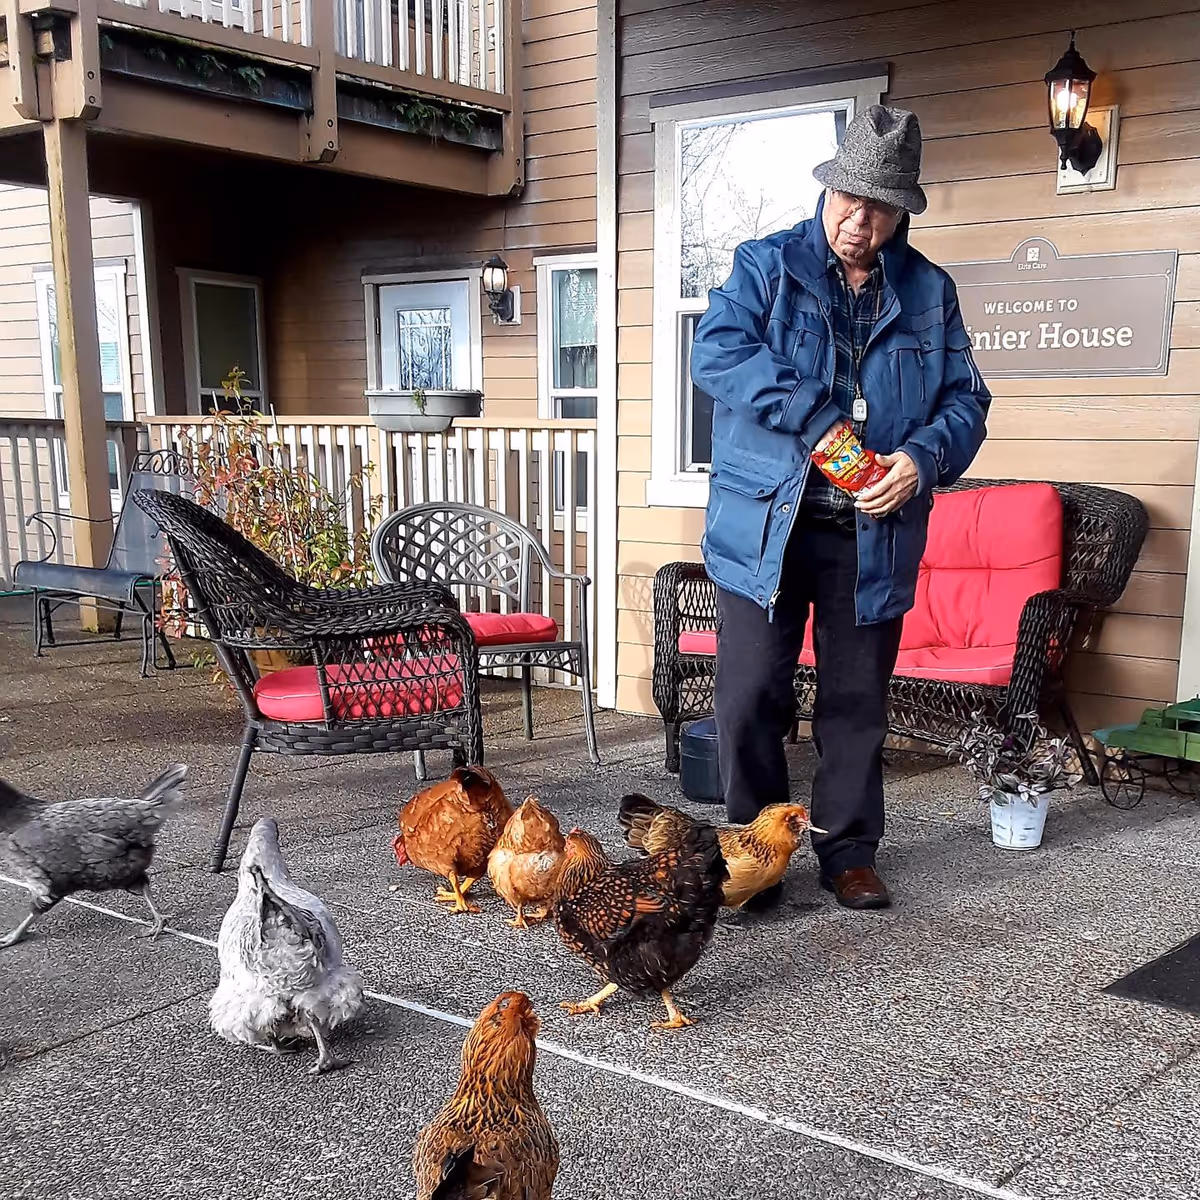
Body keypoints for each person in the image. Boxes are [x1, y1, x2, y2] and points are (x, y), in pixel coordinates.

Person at [690, 104, 990, 911]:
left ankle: (847, 848)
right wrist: (814, 416)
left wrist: (921, 462)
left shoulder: (930, 292)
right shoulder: (765, 265)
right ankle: (754, 853)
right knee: (752, 692)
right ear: (827, 190)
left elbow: (968, 402)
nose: (859, 222)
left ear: (903, 210)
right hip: (767, 529)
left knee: (856, 701)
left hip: (872, 533)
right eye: (847, 201)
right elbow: (716, 352)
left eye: (879, 206)